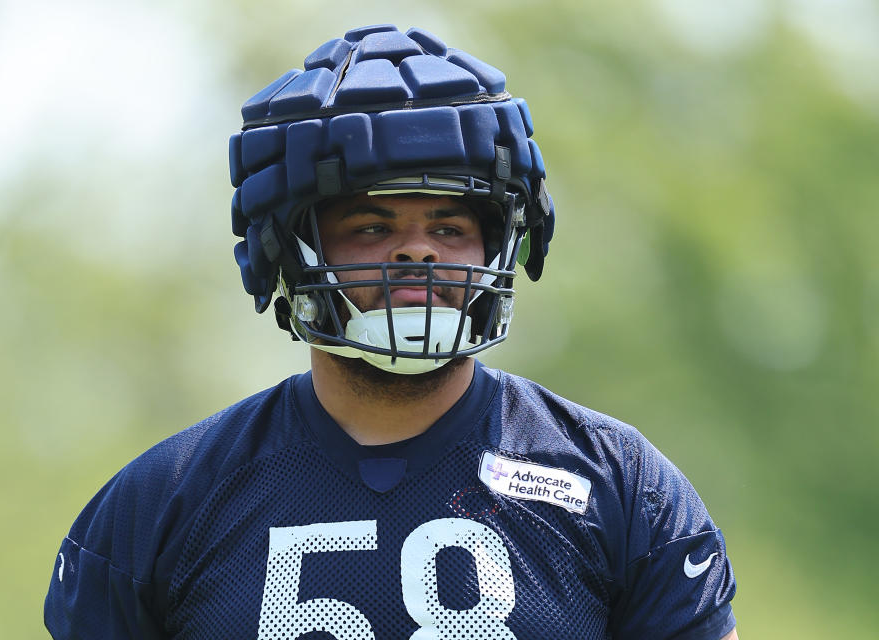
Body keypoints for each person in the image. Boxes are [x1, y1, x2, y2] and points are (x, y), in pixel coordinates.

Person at [44, 24, 738, 640]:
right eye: (372, 227)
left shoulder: (618, 485)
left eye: (450, 226)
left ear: (500, 245)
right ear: (286, 250)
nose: (418, 253)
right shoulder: (160, 504)